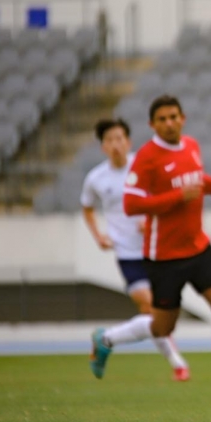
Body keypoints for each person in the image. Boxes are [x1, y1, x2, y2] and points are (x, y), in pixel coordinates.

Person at [88, 96, 211, 400]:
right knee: (162, 326)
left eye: (173, 117)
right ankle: (107, 338)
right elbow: (131, 205)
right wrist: (176, 197)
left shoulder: (191, 146)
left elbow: (196, 182)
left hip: (198, 246)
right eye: (162, 119)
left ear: (182, 118)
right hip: (164, 256)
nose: (169, 123)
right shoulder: (146, 158)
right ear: (152, 124)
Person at [82, 118, 191, 381]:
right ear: (103, 147)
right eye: (110, 140)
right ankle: (177, 362)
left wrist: (152, 220)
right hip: (127, 255)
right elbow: (87, 208)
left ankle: (106, 338)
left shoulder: (143, 167)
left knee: (158, 314)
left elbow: (163, 199)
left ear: (128, 141)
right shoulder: (96, 178)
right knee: (154, 308)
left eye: (120, 138)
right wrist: (98, 236)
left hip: (155, 250)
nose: (116, 144)